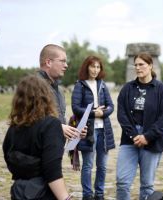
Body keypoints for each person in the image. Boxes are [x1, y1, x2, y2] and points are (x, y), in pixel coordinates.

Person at [3, 75, 72, 200]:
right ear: (46, 97)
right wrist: (65, 198)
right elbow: (53, 171)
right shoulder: (51, 125)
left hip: (19, 192)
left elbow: (10, 161)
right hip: (43, 193)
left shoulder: (13, 128)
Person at [116, 52, 163, 200]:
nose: (138, 68)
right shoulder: (127, 89)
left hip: (152, 140)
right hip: (129, 139)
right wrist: (134, 135)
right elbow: (122, 115)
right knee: (122, 182)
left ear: (150, 65)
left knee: (147, 186)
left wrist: (147, 136)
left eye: (141, 64)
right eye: (136, 65)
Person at [71, 56, 115, 200]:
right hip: (87, 131)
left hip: (104, 130)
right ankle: (87, 195)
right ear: (86, 67)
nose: (95, 70)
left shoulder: (102, 85)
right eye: (92, 66)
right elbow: (76, 108)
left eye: (98, 67)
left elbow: (111, 106)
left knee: (102, 166)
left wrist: (103, 112)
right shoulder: (80, 85)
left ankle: (100, 194)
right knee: (88, 165)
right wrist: (93, 112)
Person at [38, 44, 86, 140]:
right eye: (62, 61)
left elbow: (58, 121)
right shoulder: (33, 86)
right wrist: (58, 127)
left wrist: (72, 130)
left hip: (54, 150)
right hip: (36, 152)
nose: (66, 65)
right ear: (48, 62)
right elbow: (28, 121)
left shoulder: (59, 90)